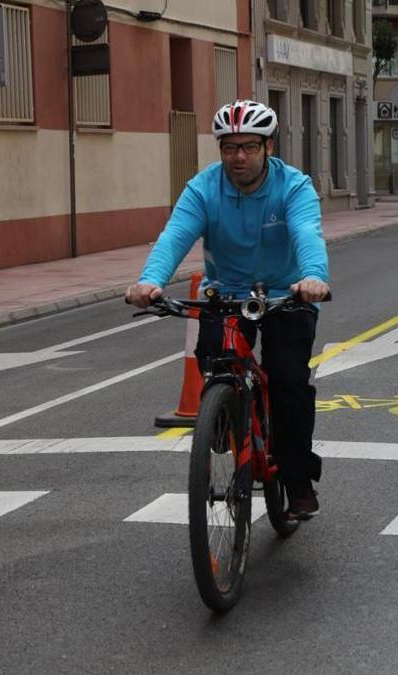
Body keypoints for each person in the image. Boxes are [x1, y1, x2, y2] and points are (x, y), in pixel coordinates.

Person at [125, 100, 330, 520]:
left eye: (249, 147)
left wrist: (312, 278)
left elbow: (308, 233)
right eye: (229, 147)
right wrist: (151, 281)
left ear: (268, 146)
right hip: (227, 292)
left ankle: (297, 480)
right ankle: (221, 413)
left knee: (290, 382)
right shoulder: (203, 189)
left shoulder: (293, 187)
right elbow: (175, 236)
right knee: (214, 359)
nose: (238, 157)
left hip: (287, 294)